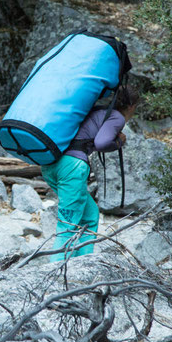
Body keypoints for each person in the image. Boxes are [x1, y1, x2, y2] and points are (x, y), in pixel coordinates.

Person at [41, 88, 140, 262]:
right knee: (68, 226)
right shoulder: (116, 117)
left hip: (50, 165)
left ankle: (83, 263)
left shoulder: (97, 110)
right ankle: (54, 276)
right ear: (132, 106)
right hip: (71, 168)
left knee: (89, 215)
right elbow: (101, 142)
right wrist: (119, 141)